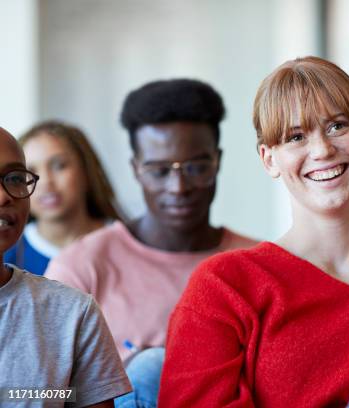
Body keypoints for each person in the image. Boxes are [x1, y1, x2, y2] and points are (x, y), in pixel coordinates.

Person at [158, 56, 349, 407]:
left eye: (337, 126)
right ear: (269, 159)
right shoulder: (225, 285)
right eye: (296, 137)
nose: (322, 150)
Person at [45, 79, 257, 406]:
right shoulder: (81, 267)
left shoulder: (257, 264)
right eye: (159, 171)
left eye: (196, 167)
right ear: (136, 170)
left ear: (218, 161)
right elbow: (46, 389)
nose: (178, 187)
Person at [0, 126, 131, 407]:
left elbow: (70, 395)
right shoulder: (18, 250)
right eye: (36, 170)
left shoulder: (72, 309)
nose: (4, 196)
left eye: (13, 178)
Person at [4, 120, 121, 275]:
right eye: (29, 171)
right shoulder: (6, 254)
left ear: (86, 170)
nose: (45, 182)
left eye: (59, 166)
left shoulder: (127, 243)